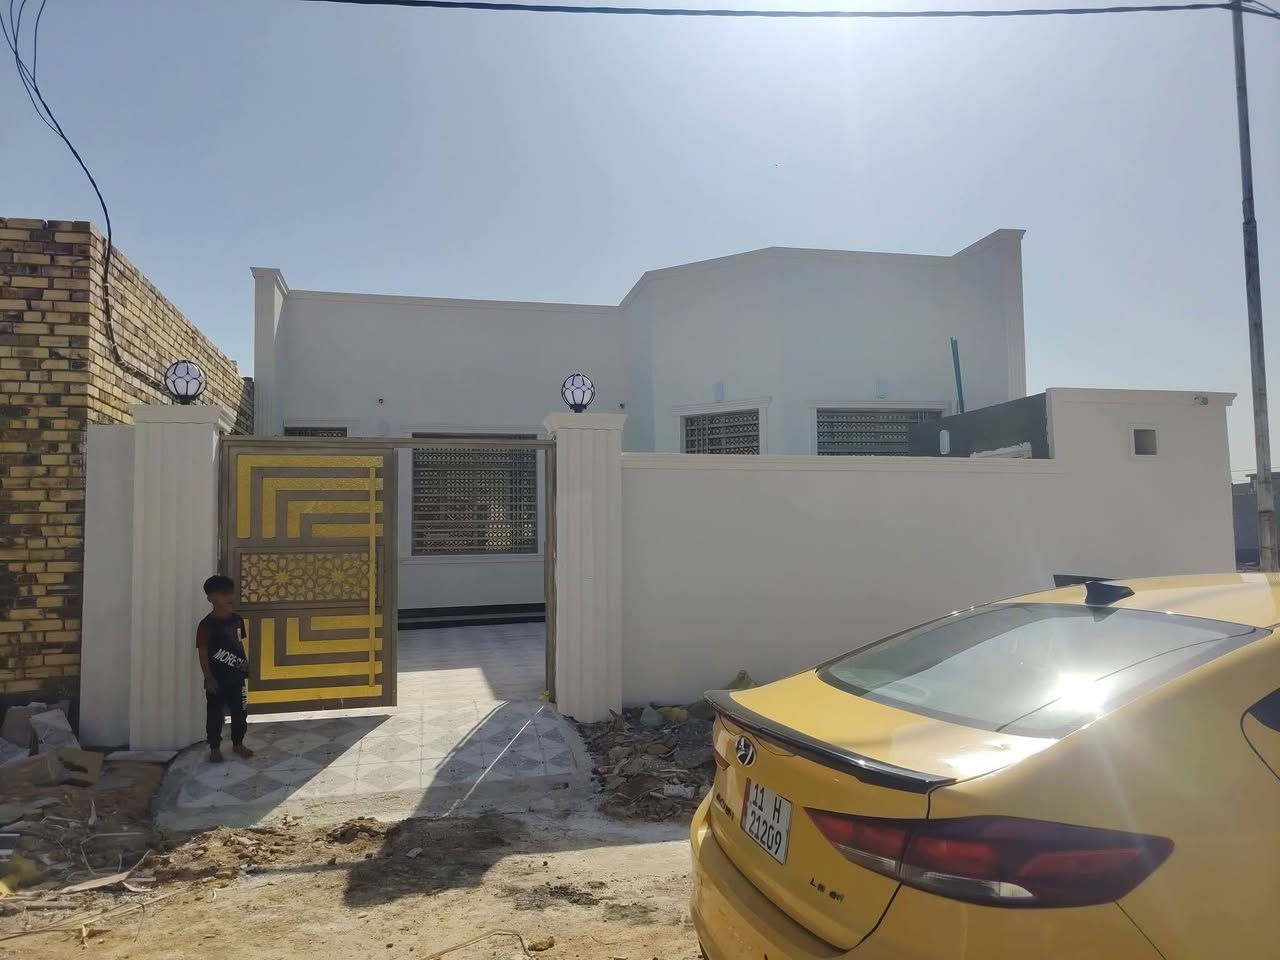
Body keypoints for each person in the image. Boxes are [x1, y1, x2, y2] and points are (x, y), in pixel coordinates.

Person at [196, 574, 254, 763]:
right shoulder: (206, 626)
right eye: (223, 593)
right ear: (211, 598)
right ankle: (214, 748)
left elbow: (239, 643)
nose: (229, 597)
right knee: (214, 714)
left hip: (237, 677)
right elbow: (203, 652)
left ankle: (238, 744)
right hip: (217, 678)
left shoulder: (237, 620)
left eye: (230, 592)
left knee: (240, 712)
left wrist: (245, 663)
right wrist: (208, 677)